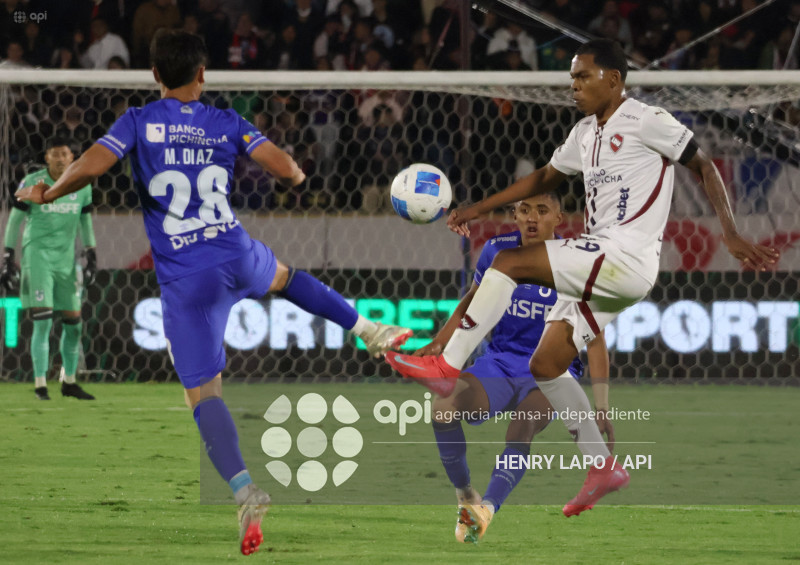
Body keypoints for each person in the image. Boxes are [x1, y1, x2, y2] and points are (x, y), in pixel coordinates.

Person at [15, 30, 412, 556]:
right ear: (203, 75)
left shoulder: (137, 120)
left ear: (154, 75)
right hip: (235, 251)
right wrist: (289, 175)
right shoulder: (227, 120)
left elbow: (93, 164)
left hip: (187, 278)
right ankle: (370, 330)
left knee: (203, 395)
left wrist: (47, 191)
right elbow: (291, 171)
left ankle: (247, 491)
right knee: (287, 279)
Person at [386, 38, 779, 518]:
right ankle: (601, 467)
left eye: (582, 77)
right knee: (547, 364)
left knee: (508, 263)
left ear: (613, 80)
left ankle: (447, 366)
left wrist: (732, 233)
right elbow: (543, 179)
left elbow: (702, 164)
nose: (573, 86)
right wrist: (477, 208)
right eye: (571, 78)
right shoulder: (583, 133)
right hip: (606, 267)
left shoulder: (648, 120)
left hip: (625, 254)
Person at [408, 192, 613, 543]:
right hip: (500, 362)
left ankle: (486, 510)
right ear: (514, 216)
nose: (532, 218)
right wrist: (442, 340)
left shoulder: (576, 262)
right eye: (524, 210)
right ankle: (465, 496)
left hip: (552, 375)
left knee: (522, 426)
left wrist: (601, 406)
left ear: (559, 219)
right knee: (442, 410)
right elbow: (472, 302)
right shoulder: (497, 251)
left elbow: (594, 340)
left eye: (542, 210)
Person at [1, 137, 97, 401]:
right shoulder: (32, 183)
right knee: (42, 323)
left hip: (66, 261)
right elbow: (14, 220)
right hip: (38, 257)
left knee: (74, 324)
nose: (58, 158)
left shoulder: (81, 183)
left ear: (71, 158)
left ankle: (69, 382)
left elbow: (85, 221)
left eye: (63, 154)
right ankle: (41, 385)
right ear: (46, 158)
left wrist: (91, 252)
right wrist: (8, 255)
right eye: (53, 154)